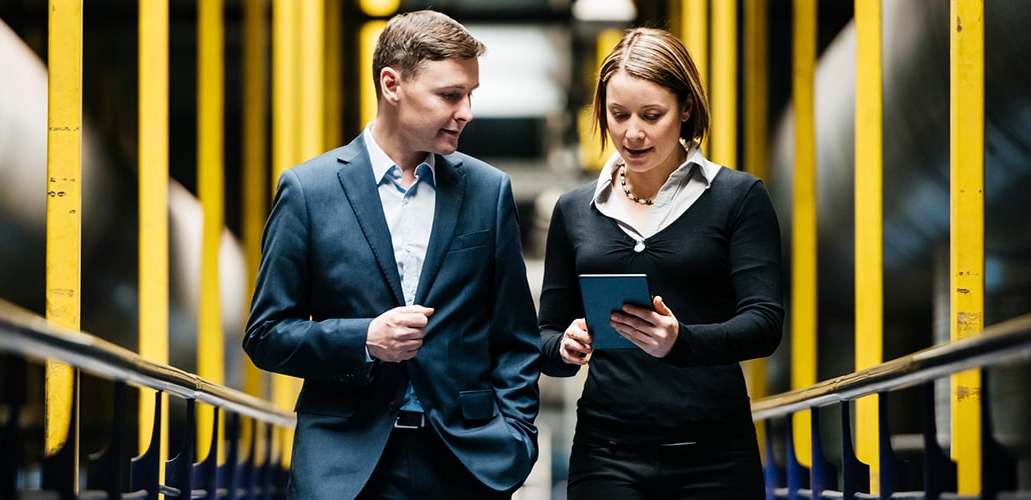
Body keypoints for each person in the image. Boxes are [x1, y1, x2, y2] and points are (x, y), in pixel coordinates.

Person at [243, 10, 540, 499]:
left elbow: (515, 336)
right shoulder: (308, 191)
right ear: (392, 84)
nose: (466, 111)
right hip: (345, 466)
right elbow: (266, 334)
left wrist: (517, 436)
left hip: (467, 463)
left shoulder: (488, 191)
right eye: (450, 95)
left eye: (470, 94)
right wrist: (364, 338)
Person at [538, 27, 784, 498]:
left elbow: (765, 324)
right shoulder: (574, 210)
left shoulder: (738, 198)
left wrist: (680, 341)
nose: (632, 132)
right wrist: (564, 347)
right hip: (606, 454)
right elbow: (544, 333)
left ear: (685, 108)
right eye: (618, 114)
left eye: (652, 115)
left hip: (715, 454)